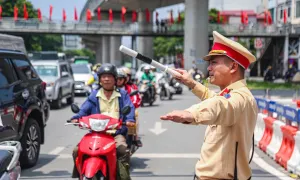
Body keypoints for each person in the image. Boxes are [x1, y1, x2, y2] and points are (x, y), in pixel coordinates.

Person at [160, 31, 258, 180]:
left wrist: (192, 113)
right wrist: (191, 83)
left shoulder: (240, 97)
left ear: (233, 67)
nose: (209, 68)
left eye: (214, 63)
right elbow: (214, 98)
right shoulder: (233, 94)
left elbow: (220, 106)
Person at [70, 63, 135, 179]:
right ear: (99, 79)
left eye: (109, 76)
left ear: (115, 79)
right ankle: (78, 174)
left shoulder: (123, 94)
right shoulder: (94, 95)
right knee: (76, 150)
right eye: (103, 77)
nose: (106, 79)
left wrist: (129, 119)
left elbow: (129, 107)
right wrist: (76, 117)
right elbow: (84, 109)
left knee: (123, 150)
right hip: (96, 134)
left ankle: (123, 176)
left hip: (115, 134)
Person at [117, 68, 143, 147]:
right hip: (114, 111)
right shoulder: (109, 88)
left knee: (134, 116)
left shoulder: (131, 88)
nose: (118, 81)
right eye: (116, 78)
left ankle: (134, 137)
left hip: (127, 110)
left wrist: (129, 108)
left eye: (120, 79)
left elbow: (135, 100)